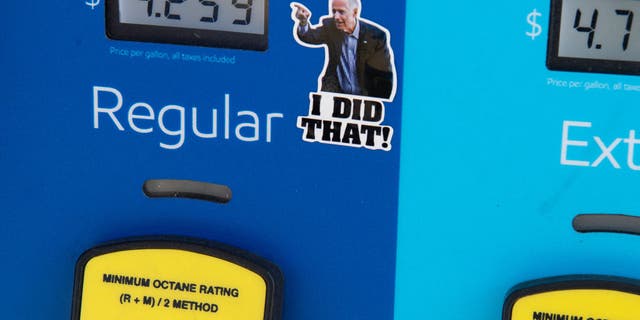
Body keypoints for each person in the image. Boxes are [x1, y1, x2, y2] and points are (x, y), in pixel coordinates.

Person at [291, 0, 396, 100]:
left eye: (341, 12)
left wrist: (377, 106)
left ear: (355, 12)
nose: (336, 17)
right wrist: (303, 21)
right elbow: (309, 36)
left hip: (366, 101)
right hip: (335, 97)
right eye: (333, 11)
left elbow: (384, 78)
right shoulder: (331, 27)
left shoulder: (376, 36)